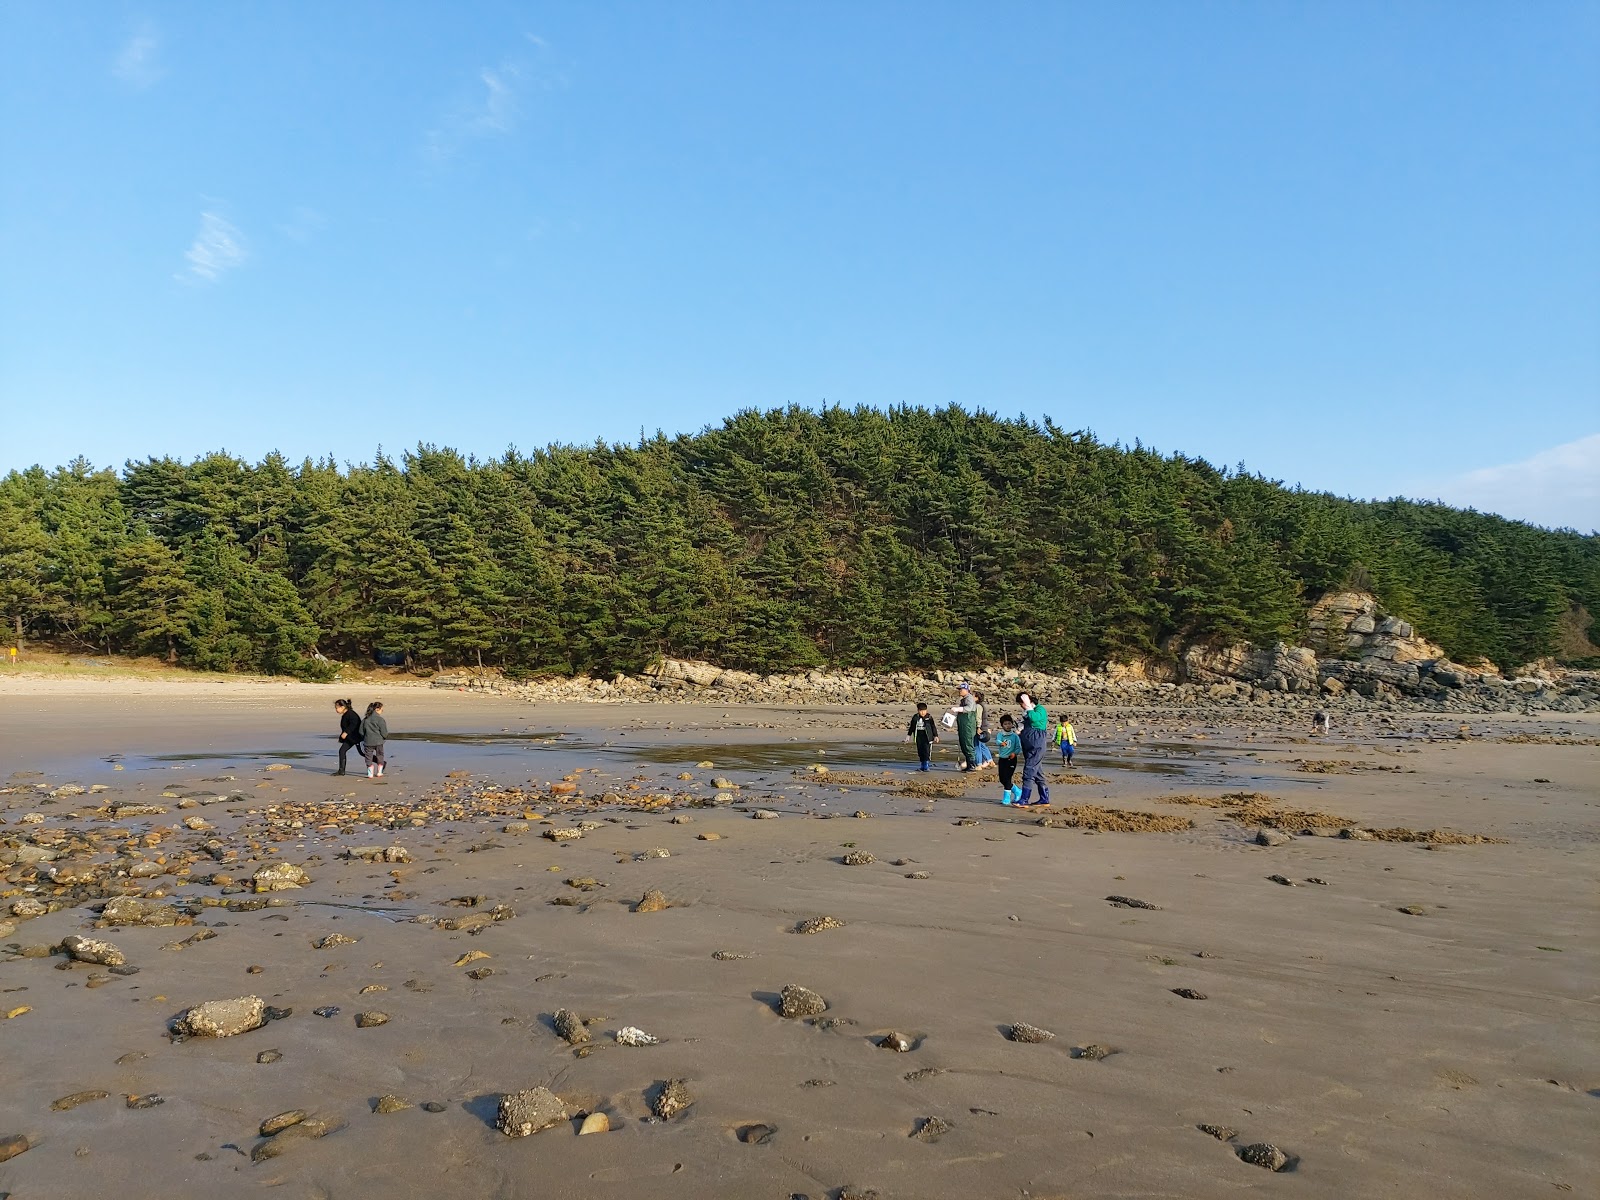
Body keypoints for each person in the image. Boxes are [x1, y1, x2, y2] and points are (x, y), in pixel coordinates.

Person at [1014, 691, 1051, 806]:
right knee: (1038, 772)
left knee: (1029, 770)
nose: (1021, 706)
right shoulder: (1027, 712)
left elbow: (1034, 719)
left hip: (1037, 745)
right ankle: (1044, 798)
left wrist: (1028, 707)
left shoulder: (1039, 710)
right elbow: (1025, 723)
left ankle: (1024, 799)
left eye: (1022, 703)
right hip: (1028, 745)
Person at [947, 684, 979, 771]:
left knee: (968, 744)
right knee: (964, 744)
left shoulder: (969, 698)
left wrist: (958, 709)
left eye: (961, 689)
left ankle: (972, 765)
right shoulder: (964, 699)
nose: (960, 691)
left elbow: (969, 708)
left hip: (968, 726)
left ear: (967, 690)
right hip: (963, 726)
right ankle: (969, 765)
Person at [994, 713, 1022, 804]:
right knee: (1002, 779)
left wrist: (1015, 753)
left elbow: (1018, 747)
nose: (1007, 725)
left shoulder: (1015, 736)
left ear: (1012, 724)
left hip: (1012, 759)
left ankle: (1007, 797)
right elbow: (997, 741)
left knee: (1007, 778)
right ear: (1002, 725)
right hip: (1002, 759)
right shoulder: (1000, 734)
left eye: (1009, 723)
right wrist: (1000, 743)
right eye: (1005, 724)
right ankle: (1017, 791)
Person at [905, 702, 939, 771]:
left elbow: (933, 727)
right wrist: (908, 736)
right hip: (919, 735)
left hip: (927, 736)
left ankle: (926, 765)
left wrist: (936, 736)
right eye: (921, 711)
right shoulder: (915, 717)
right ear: (918, 710)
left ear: (926, 710)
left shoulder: (929, 717)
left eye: (924, 711)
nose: (923, 712)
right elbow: (912, 727)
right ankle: (922, 765)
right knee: (920, 751)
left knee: (927, 750)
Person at [360, 700, 389, 779]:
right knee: (380, 756)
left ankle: (370, 773)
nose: (382, 711)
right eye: (382, 709)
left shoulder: (365, 719)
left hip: (368, 741)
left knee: (368, 757)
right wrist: (384, 737)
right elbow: (384, 732)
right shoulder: (380, 719)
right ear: (377, 709)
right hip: (378, 741)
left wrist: (365, 737)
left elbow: (361, 731)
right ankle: (379, 772)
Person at [333, 699, 362, 776]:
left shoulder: (351, 714)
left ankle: (381, 763)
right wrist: (341, 738)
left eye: (337, 708)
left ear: (342, 707)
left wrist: (346, 732)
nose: (336, 710)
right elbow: (345, 727)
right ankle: (341, 771)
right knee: (342, 751)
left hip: (356, 737)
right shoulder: (345, 715)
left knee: (363, 753)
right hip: (350, 738)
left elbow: (354, 724)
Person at [971, 691, 994, 768]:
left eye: (973, 696)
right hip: (984, 727)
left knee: (977, 746)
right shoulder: (981, 705)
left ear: (977, 698)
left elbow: (978, 718)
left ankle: (979, 764)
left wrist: (978, 728)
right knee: (982, 745)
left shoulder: (978, 706)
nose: (971, 697)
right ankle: (990, 761)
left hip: (980, 728)